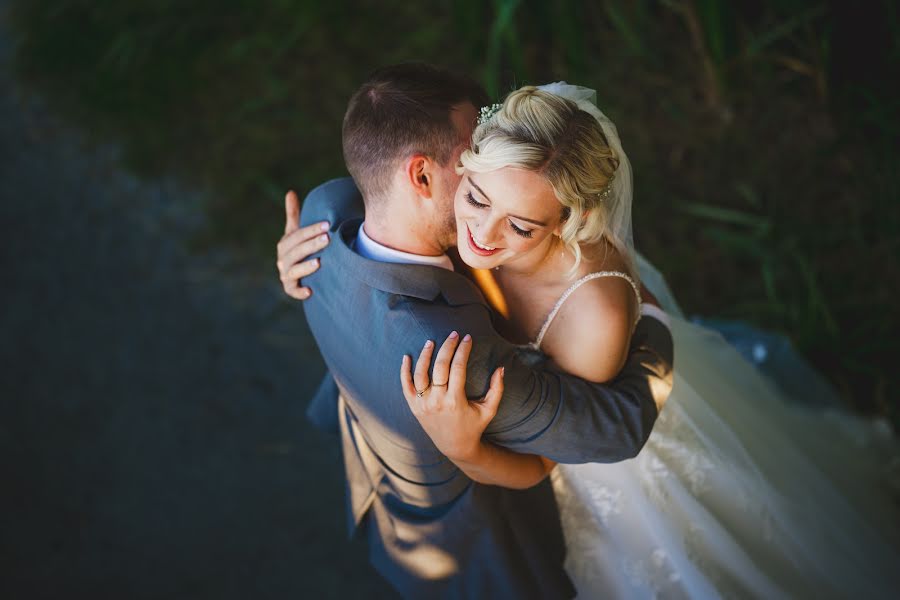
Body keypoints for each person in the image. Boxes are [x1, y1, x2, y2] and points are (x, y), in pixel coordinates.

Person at [392, 83, 900, 598]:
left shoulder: (592, 319)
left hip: (620, 473)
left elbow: (553, 458)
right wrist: (305, 255)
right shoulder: (464, 207)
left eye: (521, 227)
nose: (482, 232)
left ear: (569, 221)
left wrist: (460, 447)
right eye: (476, 197)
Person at [277, 64, 674, 599]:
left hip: (407, 464)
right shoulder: (454, 360)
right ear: (420, 175)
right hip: (449, 517)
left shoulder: (325, 211)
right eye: (471, 165)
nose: (481, 160)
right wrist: (656, 322)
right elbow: (618, 426)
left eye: (519, 223)